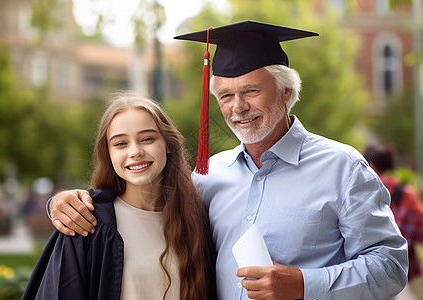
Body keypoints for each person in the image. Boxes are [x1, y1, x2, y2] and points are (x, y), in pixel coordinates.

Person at [46, 21, 408, 300]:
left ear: (286, 91)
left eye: (251, 90)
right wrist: (64, 203)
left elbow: (391, 267)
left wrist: (303, 284)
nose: (238, 107)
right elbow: (144, 201)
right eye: (225, 95)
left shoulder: (342, 168)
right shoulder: (209, 175)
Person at [23, 92, 216, 300]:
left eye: (147, 139)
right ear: (108, 153)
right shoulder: (88, 223)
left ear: (168, 144)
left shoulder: (195, 218)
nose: (135, 151)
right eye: (120, 144)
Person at [364, 142, 423, 300]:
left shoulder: (360, 189)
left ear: (370, 164)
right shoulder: (406, 194)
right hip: (393, 274)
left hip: (360, 273)